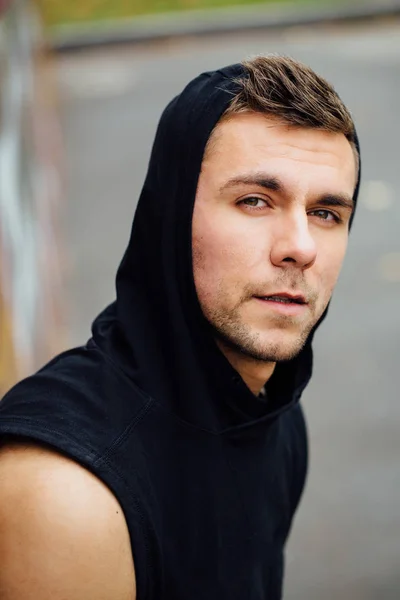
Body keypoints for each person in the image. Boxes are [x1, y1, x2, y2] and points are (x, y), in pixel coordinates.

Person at [0, 55, 360, 599]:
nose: (301, 248)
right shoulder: (64, 493)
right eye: (255, 201)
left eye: (326, 213)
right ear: (170, 216)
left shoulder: (273, 407)